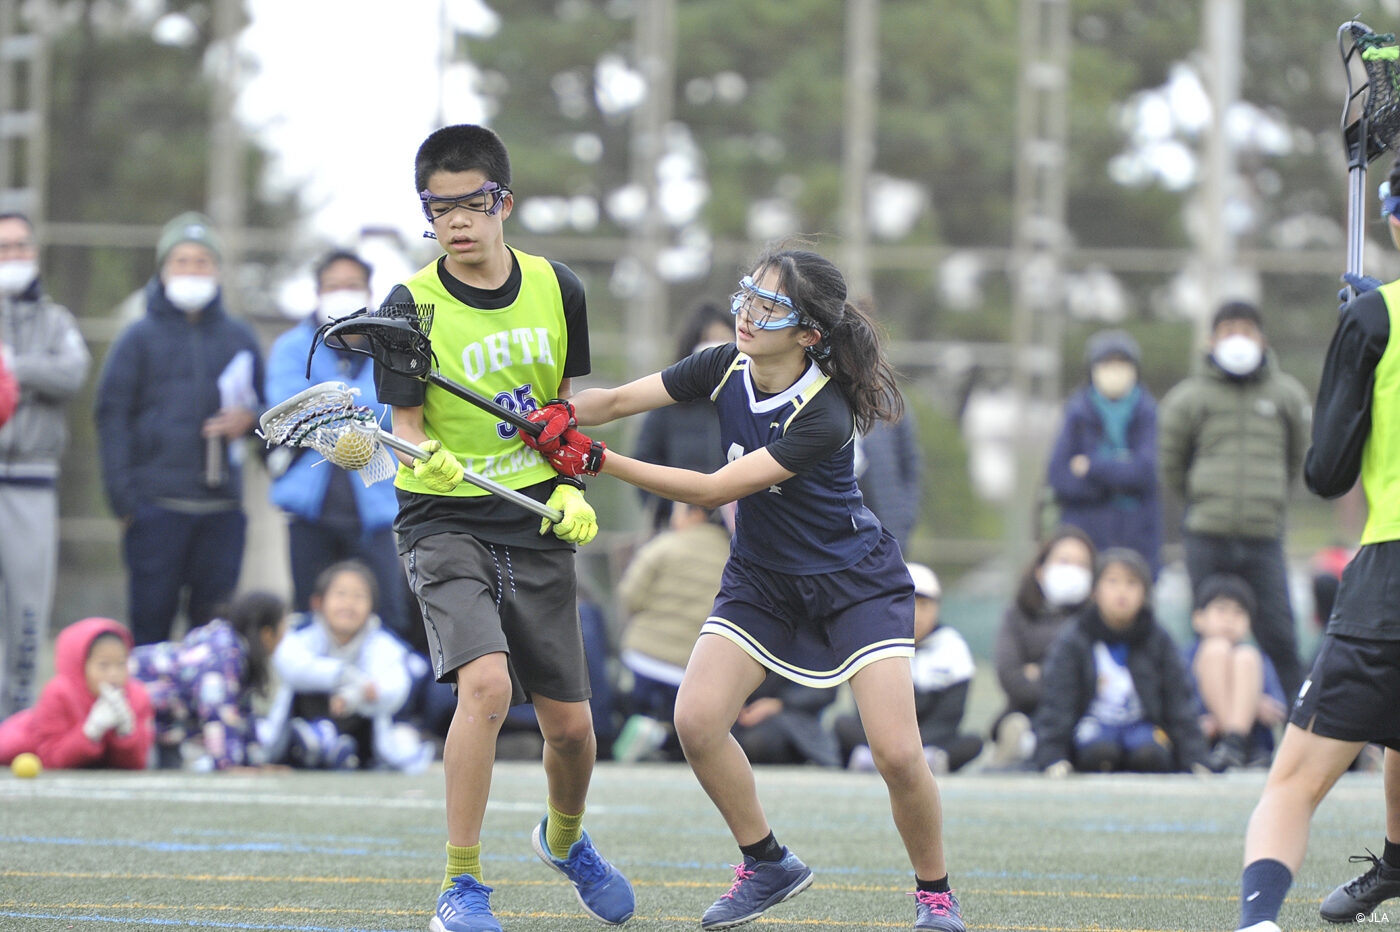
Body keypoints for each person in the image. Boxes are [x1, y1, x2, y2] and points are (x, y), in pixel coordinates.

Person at [524, 245, 967, 931]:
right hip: (762, 578)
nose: (749, 314)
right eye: (747, 295)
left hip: (854, 583)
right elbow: (615, 399)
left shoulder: (823, 413)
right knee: (697, 722)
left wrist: (598, 461)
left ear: (809, 333)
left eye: (770, 305)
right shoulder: (722, 363)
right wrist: (556, 415)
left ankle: (935, 897)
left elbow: (712, 490)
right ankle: (767, 862)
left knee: (899, 754)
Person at [374, 124, 633, 932]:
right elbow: (404, 428)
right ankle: (460, 885)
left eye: (472, 203)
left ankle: (564, 840)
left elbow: (561, 412)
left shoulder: (559, 287)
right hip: (443, 516)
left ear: (504, 204)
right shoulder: (408, 305)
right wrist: (425, 456)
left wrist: (572, 487)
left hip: (535, 513)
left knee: (573, 730)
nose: (456, 221)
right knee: (485, 686)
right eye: (438, 208)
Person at [1230, 156, 1400, 932]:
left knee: (1292, 784)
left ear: (1392, 221)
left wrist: (1352, 346)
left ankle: (1259, 922)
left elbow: (1327, 472)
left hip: (1390, 576)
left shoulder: (1375, 319)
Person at [94, 211, 264, 646]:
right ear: (163, 269)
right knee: (150, 632)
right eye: (182, 261)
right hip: (156, 509)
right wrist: (125, 502)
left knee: (213, 637)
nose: (192, 271)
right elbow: (111, 416)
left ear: (217, 269)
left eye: (202, 261)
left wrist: (251, 419)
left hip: (221, 511)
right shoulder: (137, 338)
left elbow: (270, 415)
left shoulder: (240, 338)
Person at [1158, 300, 1312, 703]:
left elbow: (1297, 459)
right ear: (1212, 340)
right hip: (1206, 533)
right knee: (1207, 636)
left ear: (1262, 340)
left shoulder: (1287, 395)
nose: (1238, 340)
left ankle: (1298, 723)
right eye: (1229, 332)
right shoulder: (1188, 398)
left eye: (1247, 331)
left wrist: (1270, 499)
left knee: (1280, 636)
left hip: (1264, 536)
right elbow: (1171, 465)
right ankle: (1204, 721)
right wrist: (1204, 498)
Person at [265, 249, 410, 638]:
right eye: (333, 286)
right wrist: (359, 408)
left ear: (368, 291)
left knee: (389, 620)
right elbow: (288, 411)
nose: (342, 293)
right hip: (309, 515)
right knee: (308, 621)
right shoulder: (291, 347)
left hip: (376, 513)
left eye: (352, 285)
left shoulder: (391, 347)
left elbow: (399, 411)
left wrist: (327, 401)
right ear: (317, 292)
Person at [0, 212, 91, 718]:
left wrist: (12, 368)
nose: (13, 255)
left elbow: (72, 371)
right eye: (3, 247)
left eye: (20, 246)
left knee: (27, 610)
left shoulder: (57, 321)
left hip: (33, 483)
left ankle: (15, 720)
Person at [1032, 547, 1207, 775]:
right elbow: (1058, 701)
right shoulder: (1074, 638)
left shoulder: (1158, 639)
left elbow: (1179, 701)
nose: (1122, 592)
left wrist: (1194, 757)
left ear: (1145, 593)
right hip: (1093, 725)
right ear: (1095, 591)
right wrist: (1052, 756)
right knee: (1099, 754)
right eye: (1112, 582)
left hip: (1142, 726)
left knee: (1151, 757)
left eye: (1132, 583)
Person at [261, 560, 431, 774]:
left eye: (359, 596)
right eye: (340, 594)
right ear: (318, 602)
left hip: (361, 732)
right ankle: (315, 740)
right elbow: (292, 669)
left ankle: (334, 747)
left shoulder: (383, 644)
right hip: (302, 720)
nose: (349, 604)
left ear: (373, 607)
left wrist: (356, 696)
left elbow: (395, 688)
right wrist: (348, 678)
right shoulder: (301, 636)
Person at [612, 500, 731, 763]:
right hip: (689, 671)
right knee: (678, 721)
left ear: (696, 512)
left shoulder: (664, 546)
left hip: (643, 662)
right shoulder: (731, 558)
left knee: (632, 705)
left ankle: (645, 731)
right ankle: (664, 738)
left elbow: (629, 597)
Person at [837, 563, 984, 775]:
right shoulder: (875, 642)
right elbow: (865, 709)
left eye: (924, 605)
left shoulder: (953, 648)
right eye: (908, 603)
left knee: (973, 742)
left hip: (931, 739)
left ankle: (890, 760)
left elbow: (950, 717)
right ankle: (896, 759)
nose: (916, 614)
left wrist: (910, 748)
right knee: (842, 725)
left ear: (937, 607)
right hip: (882, 737)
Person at [1044, 328, 1161, 576]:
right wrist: (1120, 477)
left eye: (1122, 363)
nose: (1115, 370)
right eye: (1107, 363)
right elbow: (1059, 477)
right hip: (1084, 538)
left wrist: (1092, 467)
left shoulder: (1148, 413)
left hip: (1137, 540)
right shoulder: (1076, 413)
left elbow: (1145, 473)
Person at [130, 590, 288, 771]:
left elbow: (242, 716)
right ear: (267, 633)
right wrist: (228, 764)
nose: (285, 635)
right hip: (130, 705)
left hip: (163, 722)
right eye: (283, 627)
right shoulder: (223, 654)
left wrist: (256, 763)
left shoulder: (238, 653)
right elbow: (217, 712)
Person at [988, 526, 1097, 769]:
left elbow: (1095, 682)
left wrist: (1039, 671)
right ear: (1040, 569)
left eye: (1082, 565)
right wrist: (1065, 681)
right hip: (1025, 711)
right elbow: (1011, 677)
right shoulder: (1017, 614)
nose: (1073, 571)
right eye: (1064, 561)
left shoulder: (1096, 620)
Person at [631, 301, 733, 533]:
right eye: (709, 340)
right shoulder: (667, 406)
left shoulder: (745, 404)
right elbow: (644, 461)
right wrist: (672, 508)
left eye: (724, 340)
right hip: (681, 526)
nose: (717, 349)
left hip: (736, 529)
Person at [0, 616, 153, 770]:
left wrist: (126, 734)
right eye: (103, 665)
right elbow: (51, 759)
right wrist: (90, 732)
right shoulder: (58, 693)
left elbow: (137, 764)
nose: (114, 674)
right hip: (19, 745)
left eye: (121, 664)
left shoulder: (137, 696)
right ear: (79, 664)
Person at [1182, 573, 1287, 773]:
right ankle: (1234, 743)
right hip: (1206, 740)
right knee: (1216, 649)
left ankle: (1235, 743)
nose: (1229, 619)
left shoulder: (1256, 658)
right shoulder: (1186, 657)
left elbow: (1277, 709)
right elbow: (1178, 701)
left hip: (1255, 744)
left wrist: (1259, 704)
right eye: (1221, 610)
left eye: (1239, 612)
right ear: (1198, 618)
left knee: (1245, 656)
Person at [855, 390, 922, 552]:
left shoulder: (891, 401)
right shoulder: (819, 397)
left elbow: (910, 466)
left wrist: (904, 518)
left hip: (886, 529)